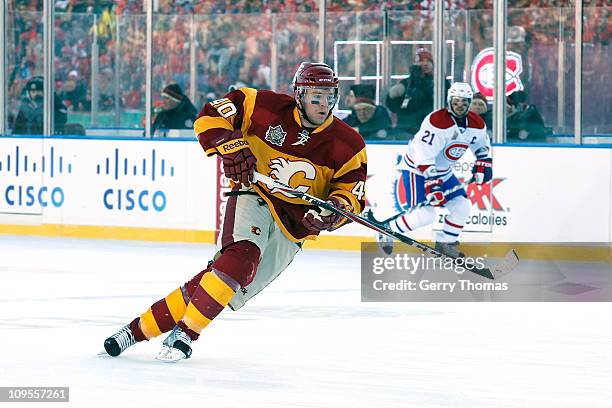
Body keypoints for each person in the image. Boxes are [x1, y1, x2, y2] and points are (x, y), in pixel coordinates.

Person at [103, 62, 367, 362]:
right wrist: (230, 145)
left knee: (220, 282)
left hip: (293, 227)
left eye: (329, 96)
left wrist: (334, 212)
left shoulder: (348, 143)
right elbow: (210, 115)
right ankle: (185, 335)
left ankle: (134, 331)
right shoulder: (263, 106)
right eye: (315, 97)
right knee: (242, 259)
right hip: (254, 193)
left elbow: (350, 195)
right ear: (299, 95)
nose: (323, 104)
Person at [369, 82, 492, 257]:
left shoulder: (476, 124)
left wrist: (484, 163)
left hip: (443, 171)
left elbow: (482, 146)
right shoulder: (437, 121)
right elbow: (423, 153)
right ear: (450, 100)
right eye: (456, 101)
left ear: (470, 102)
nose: (460, 106)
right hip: (417, 169)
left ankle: (446, 244)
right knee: (426, 214)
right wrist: (432, 183)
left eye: (464, 102)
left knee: (462, 206)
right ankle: (387, 230)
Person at [385, 48, 436, 139]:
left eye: (428, 61)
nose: (425, 64)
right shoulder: (406, 84)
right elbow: (395, 108)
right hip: (406, 128)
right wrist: (392, 97)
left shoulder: (439, 83)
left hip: (431, 128)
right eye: (421, 61)